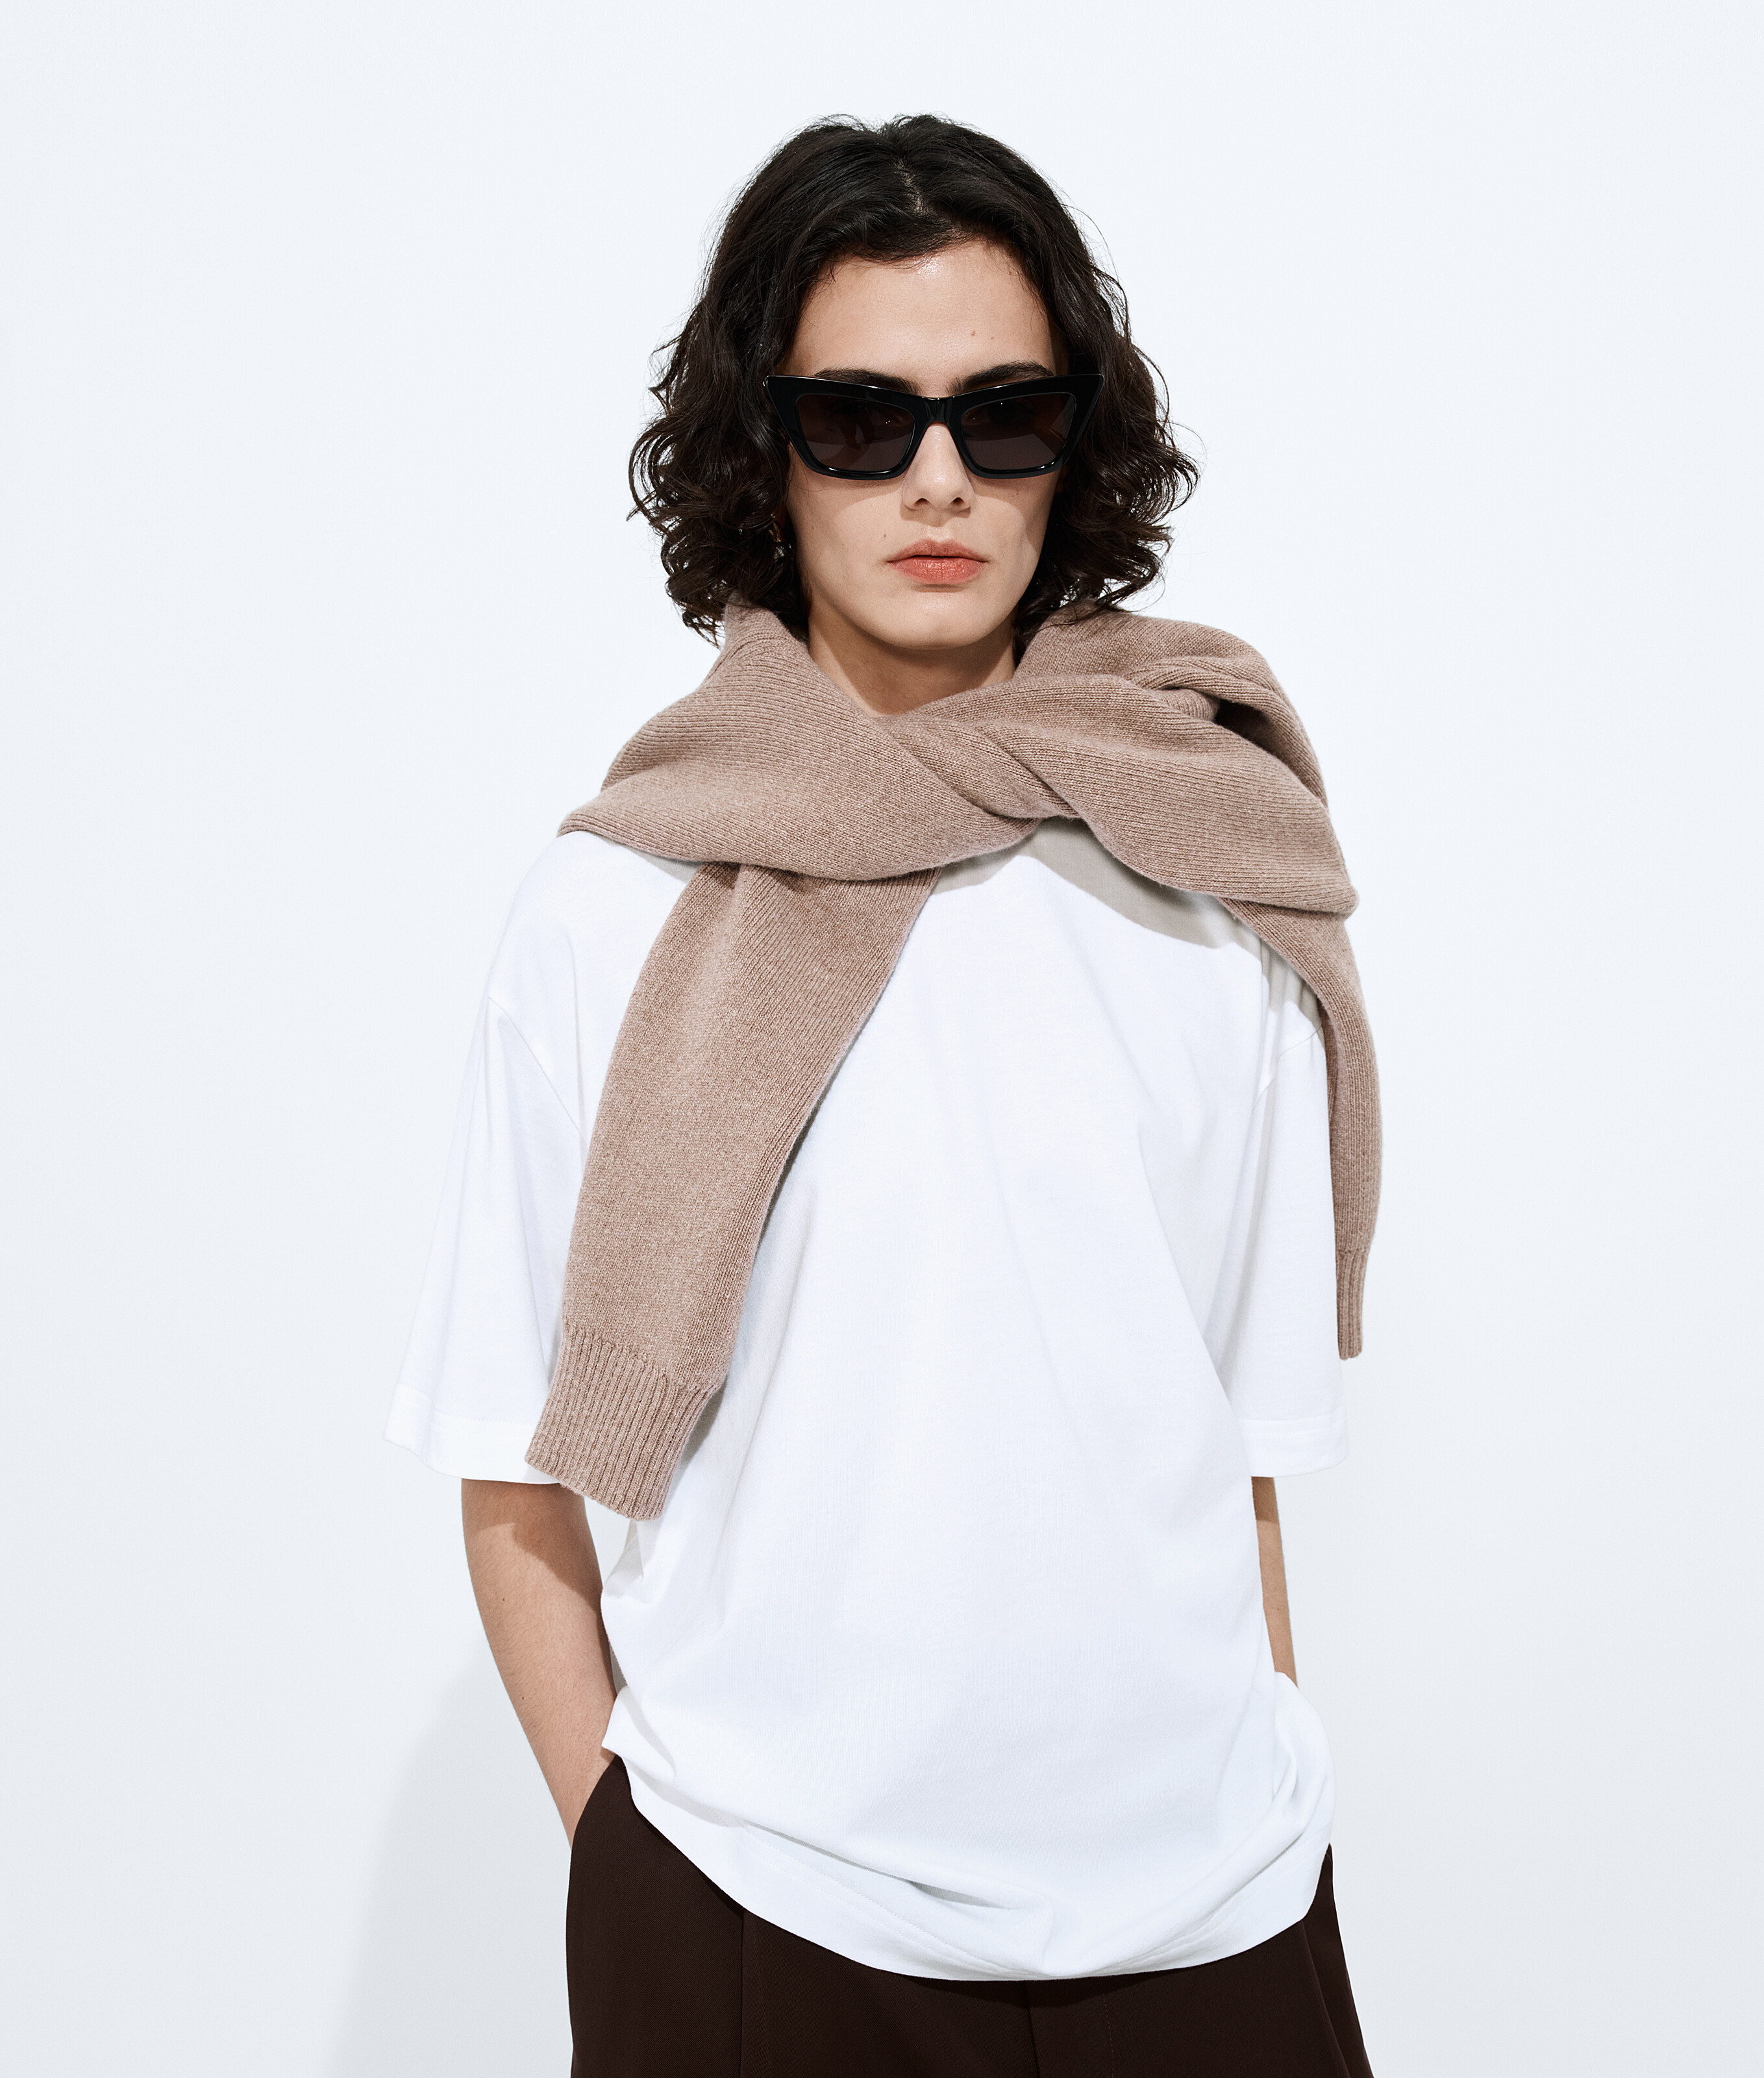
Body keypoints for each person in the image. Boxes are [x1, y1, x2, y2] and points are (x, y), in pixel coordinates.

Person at [389, 113, 1381, 2077]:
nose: (938, 477)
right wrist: (633, 1870)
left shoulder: (1213, 871)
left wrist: (1261, 1806)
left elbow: (1234, 1461)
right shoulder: (616, 905)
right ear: (764, 451)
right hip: (763, 1918)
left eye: (1003, 417)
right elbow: (515, 1472)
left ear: (1073, 448)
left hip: (1217, 1916)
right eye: (859, 419)